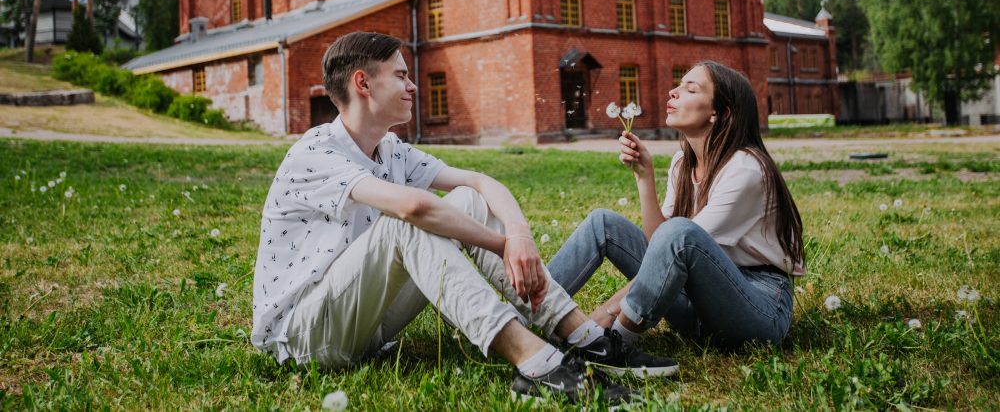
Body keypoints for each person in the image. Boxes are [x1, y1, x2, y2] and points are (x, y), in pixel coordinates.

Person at [250, 32, 674, 405]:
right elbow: (414, 209)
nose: (412, 85)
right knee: (407, 223)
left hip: (365, 323)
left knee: (467, 198)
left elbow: (480, 181)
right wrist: (502, 244)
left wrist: (520, 235)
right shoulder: (314, 152)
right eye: (400, 75)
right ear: (362, 82)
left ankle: (586, 339)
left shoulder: (390, 148)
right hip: (304, 336)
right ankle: (536, 363)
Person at [548, 61, 806, 359]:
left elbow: (675, 243)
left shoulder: (747, 170)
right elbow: (659, 245)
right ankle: (529, 312)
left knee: (680, 232)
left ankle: (610, 344)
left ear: (719, 113)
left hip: (757, 308)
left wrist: (599, 320)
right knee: (602, 223)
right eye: (679, 85)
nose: (673, 91)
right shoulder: (683, 164)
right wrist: (644, 176)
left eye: (690, 88)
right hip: (697, 298)